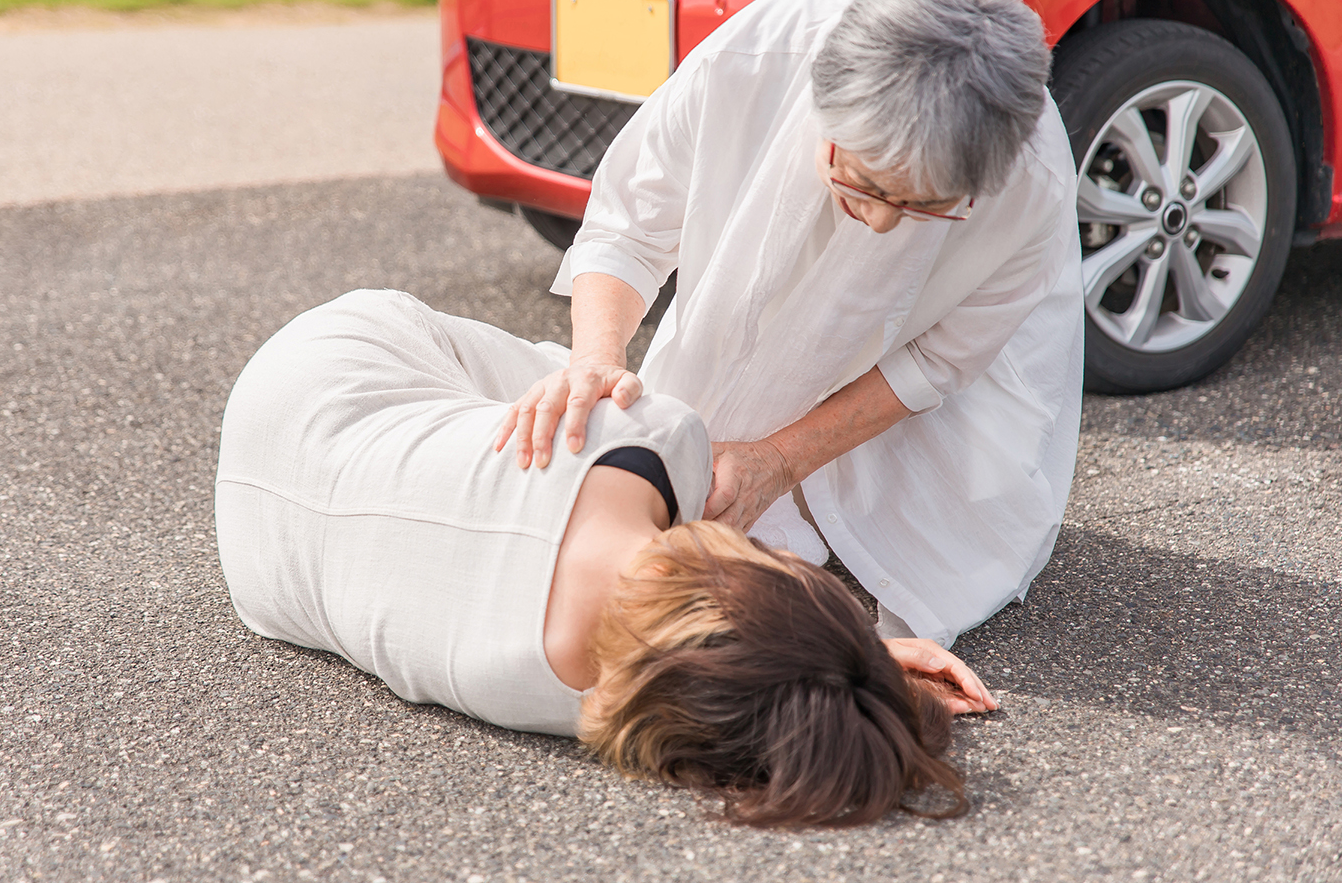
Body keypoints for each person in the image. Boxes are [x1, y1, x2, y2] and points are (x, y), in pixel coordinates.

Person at [214, 289, 998, 828]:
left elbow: (734, 599)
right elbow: (731, 679)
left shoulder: (659, 437)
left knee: (569, 392)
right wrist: (844, 674)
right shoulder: (553, 703)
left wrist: (847, 649)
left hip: (312, 369)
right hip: (260, 571)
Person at [499, 0, 1084, 647]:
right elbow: (632, 223)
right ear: (822, 109)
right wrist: (596, 358)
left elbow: (937, 359)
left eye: (926, 207)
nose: (882, 224)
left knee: (948, 531)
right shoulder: (761, 55)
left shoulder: (1032, 180)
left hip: (945, 356)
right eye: (861, 183)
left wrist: (781, 459)